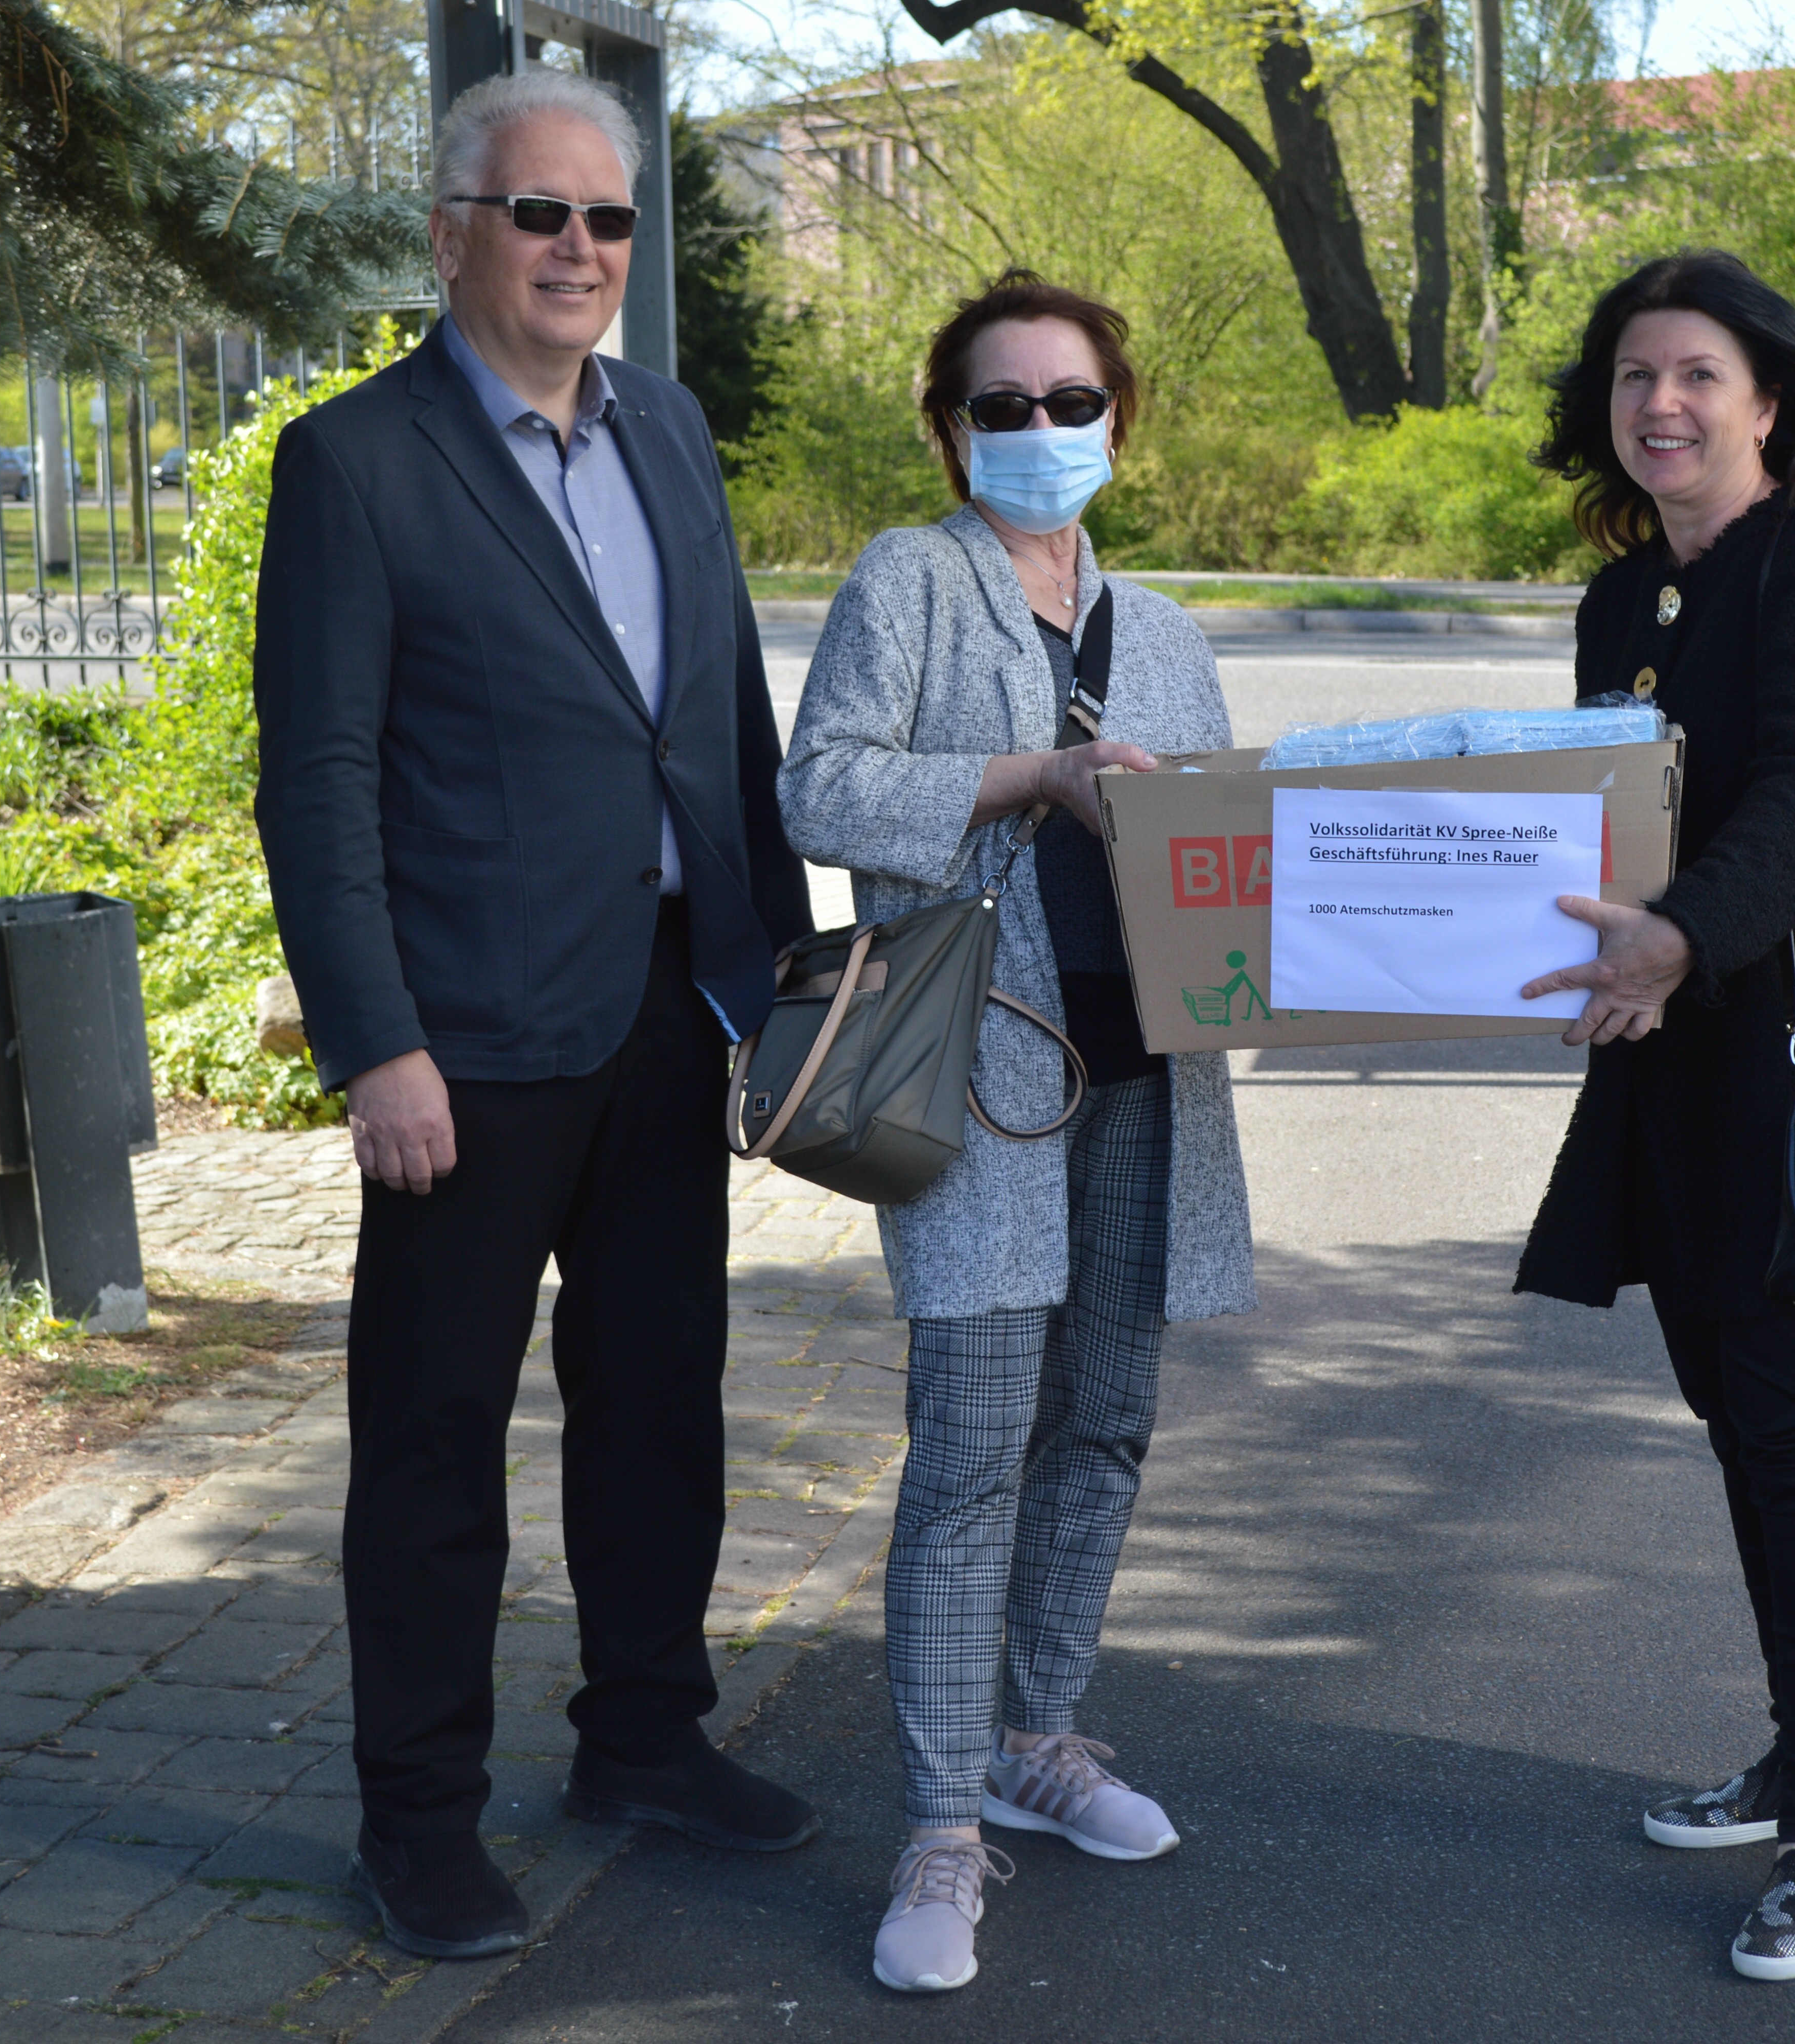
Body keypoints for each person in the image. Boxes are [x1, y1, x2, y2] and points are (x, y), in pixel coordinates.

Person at [250, 69, 819, 1962]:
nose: (580, 250)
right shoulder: (358, 464)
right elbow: (318, 782)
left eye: (609, 220)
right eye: (539, 215)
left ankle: (643, 1743)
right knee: (431, 1452)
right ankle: (417, 1821)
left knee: (661, 1406)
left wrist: (785, 970)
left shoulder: (666, 426)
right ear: (454, 236)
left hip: (667, 1012)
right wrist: (371, 1041)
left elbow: (721, 722)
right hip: (466, 1047)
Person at [778, 269, 1256, 1996]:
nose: (1042, 430)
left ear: (1120, 418)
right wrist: (1027, 777)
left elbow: (1228, 860)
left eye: (1073, 402)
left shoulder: (1175, 633)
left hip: (1152, 1079)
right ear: (951, 425)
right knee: (975, 1441)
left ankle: (1040, 1740)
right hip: (983, 1072)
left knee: (1108, 1421)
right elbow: (823, 786)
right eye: (1005, 404)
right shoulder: (910, 583)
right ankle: (939, 1822)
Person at [1513, 249, 1795, 1983]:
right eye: (1632, 379)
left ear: (1770, 398)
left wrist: (1683, 931)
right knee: (1742, 1426)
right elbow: (1582, 823)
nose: (1661, 406)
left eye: (1696, 374)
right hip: (1676, 1070)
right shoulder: (1629, 600)